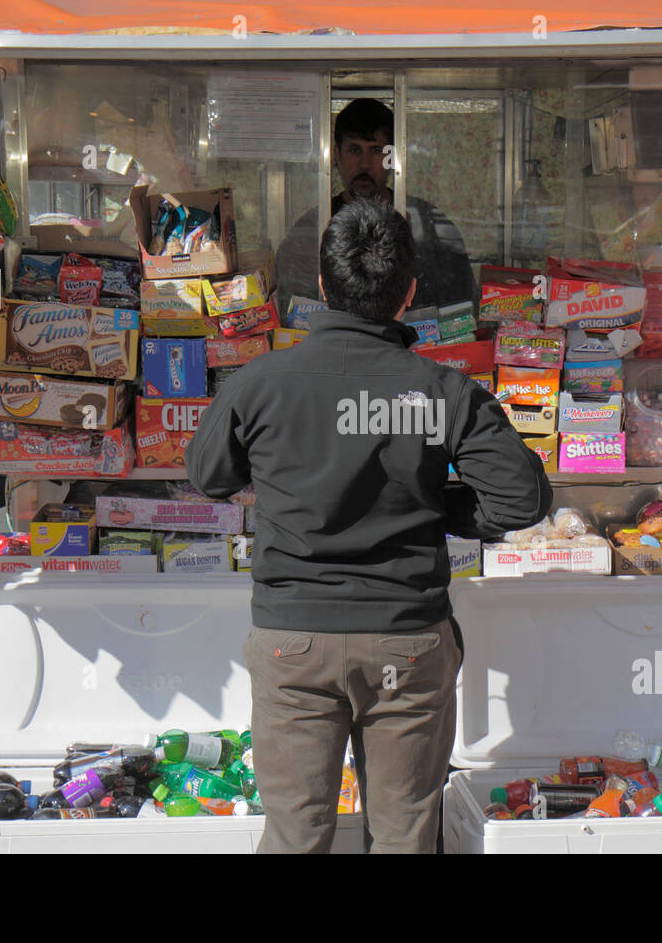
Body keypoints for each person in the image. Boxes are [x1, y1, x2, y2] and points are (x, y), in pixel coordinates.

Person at [187, 198, 551, 853]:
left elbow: (208, 475)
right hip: (405, 643)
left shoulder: (262, 382)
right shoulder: (442, 391)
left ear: (322, 288)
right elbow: (521, 502)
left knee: (295, 837)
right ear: (409, 293)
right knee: (405, 835)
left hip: (293, 644)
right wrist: (440, 508)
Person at [274, 98, 476, 312]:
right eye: (354, 150)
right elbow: (290, 308)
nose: (364, 163)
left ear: (392, 158)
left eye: (376, 150)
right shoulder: (311, 230)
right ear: (335, 155)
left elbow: (459, 309)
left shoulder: (427, 222)